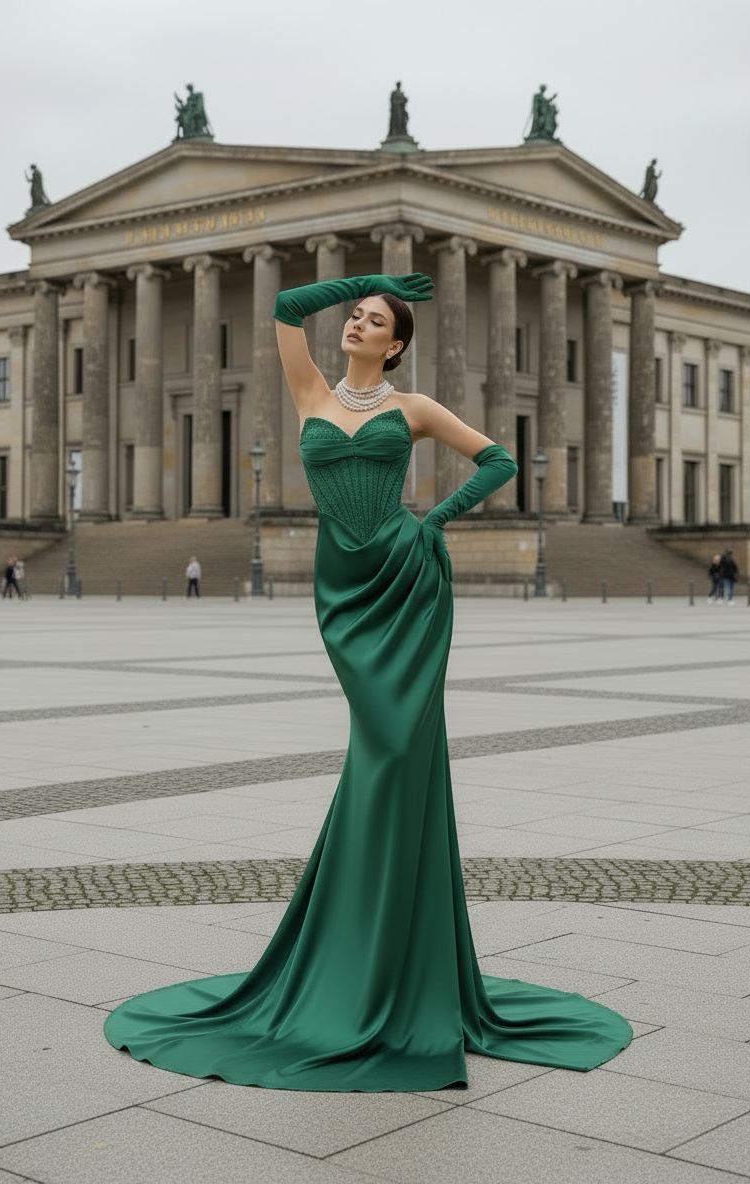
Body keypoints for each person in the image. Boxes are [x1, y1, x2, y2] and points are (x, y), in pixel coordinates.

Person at [104, 272, 632, 1091]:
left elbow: (498, 461)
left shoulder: (413, 408)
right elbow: (285, 310)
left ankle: (391, 959)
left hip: (405, 574)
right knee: (378, 753)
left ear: (397, 343)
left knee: (391, 756)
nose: (355, 322)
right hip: (345, 595)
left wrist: (435, 523)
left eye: (373, 318)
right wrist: (371, 278)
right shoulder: (311, 390)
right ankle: (360, 946)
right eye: (353, 315)